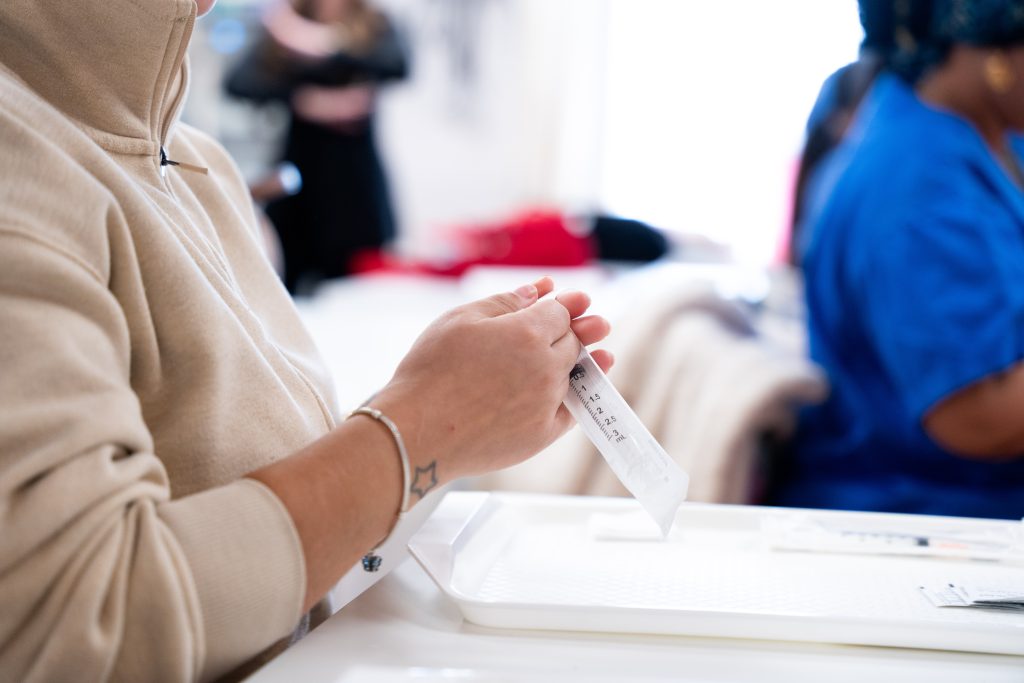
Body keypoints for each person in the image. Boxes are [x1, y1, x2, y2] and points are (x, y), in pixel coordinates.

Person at [0, 1, 612, 682]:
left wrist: (437, 408)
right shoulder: (20, 169)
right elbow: (76, 625)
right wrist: (423, 426)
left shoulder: (202, 166)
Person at [768, 0, 1024, 519]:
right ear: (997, 47)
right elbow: (976, 419)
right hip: (929, 514)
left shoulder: (977, 132)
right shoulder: (917, 186)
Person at [225, 0, 408, 294]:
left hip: (356, 184)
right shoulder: (285, 25)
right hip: (302, 180)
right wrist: (302, 100)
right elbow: (238, 83)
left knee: (357, 292)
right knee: (285, 287)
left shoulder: (372, 22)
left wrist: (322, 43)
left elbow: (397, 65)